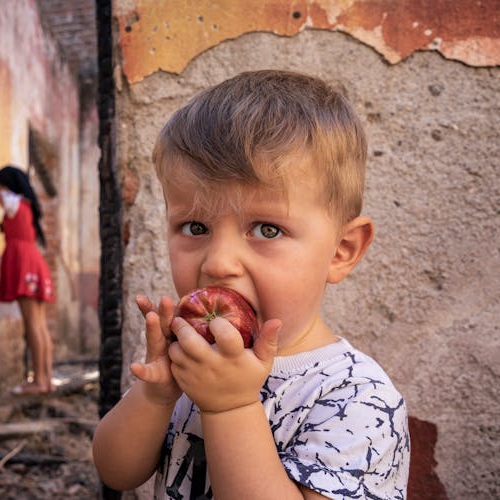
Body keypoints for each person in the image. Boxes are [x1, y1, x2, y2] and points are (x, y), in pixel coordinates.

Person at [92, 70, 410, 499]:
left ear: (341, 250)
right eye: (195, 225)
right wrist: (155, 396)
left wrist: (231, 406)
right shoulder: (192, 361)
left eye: (267, 230)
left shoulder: (355, 398)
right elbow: (116, 471)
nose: (219, 263)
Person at [0, 165, 55, 395]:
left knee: (32, 324)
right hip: (34, 261)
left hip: (23, 263)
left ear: (6, 185)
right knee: (39, 325)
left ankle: (39, 381)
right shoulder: (27, 206)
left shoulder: (12, 201)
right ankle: (47, 380)